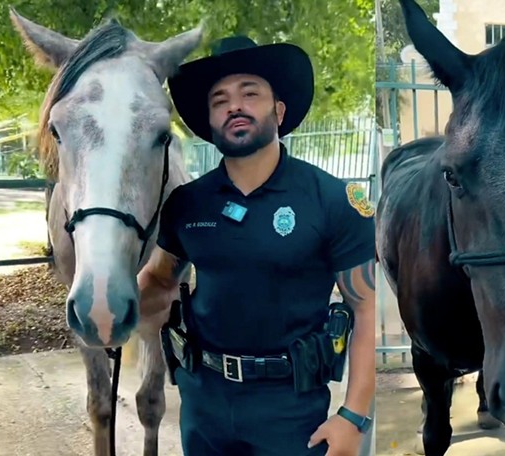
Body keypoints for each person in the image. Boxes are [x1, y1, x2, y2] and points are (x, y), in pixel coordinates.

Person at [137, 35, 376, 456]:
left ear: (279, 111)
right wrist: (108, 306)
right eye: (220, 100)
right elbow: (158, 279)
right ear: (209, 123)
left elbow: (367, 307)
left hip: (291, 409)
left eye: (250, 93)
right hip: (204, 403)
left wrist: (353, 416)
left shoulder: (332, 200)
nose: (235, 106)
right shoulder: (188, 204)